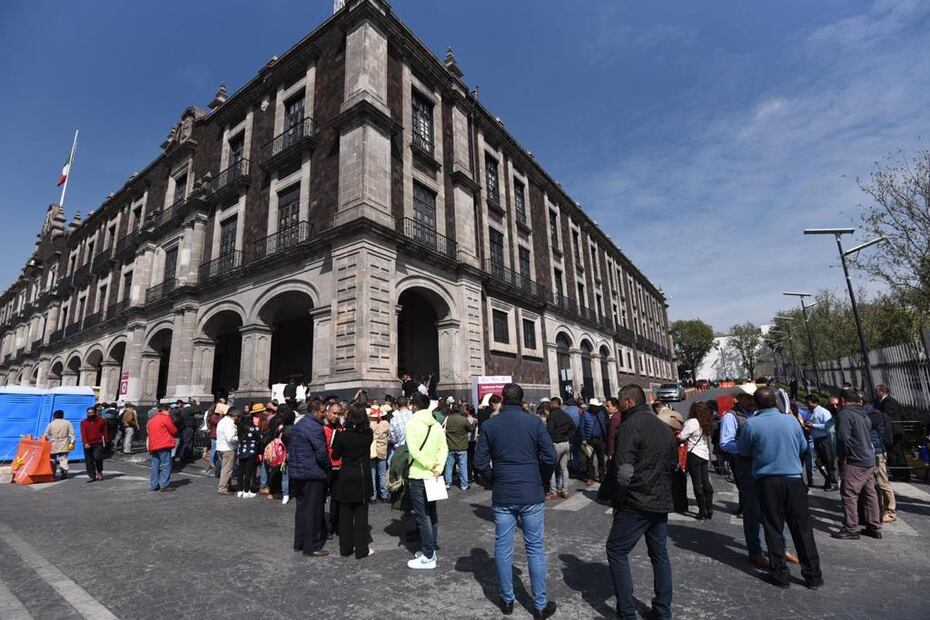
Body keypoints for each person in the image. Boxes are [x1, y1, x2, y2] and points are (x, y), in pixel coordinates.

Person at [474, 383, 557, 619]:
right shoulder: (534, 423)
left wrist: (494, 479)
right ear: (521, 400)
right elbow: (549, 456)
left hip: (503, 494)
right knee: (535, 548)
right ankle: (540, 605)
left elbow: (480, 463)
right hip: (531, 492)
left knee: (502, 547)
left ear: (501, 400)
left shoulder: (489, 425)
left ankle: (507, 600)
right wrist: (540, 478)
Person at [738, 387, 823, 589]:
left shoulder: (751, 424)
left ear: (756, 404)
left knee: (773, 527)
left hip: (767, 481)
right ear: (775, 402)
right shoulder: (791, 421)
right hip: (793, 479)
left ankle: (780, 574)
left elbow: (744, 452)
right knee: (802, 528)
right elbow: (803, 448)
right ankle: (813, 576)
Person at [605, 385, 677, 620]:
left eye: (619, 401)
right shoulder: (662, 425)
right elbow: (673, 464)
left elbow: (623, 472)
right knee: (659, 555)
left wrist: (618, 501)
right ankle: (662, 611)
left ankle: (627, 612)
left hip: (637, 500)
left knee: (616, 549)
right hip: (661, 498)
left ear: (628, 402)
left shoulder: (630, 426)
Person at [404, 391, 449, 570]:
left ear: (414, 405)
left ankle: (429, 555)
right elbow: (444, 448)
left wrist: (430, 466)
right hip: (434, 477)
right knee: (432, 513)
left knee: (422, 517)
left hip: (418, 475)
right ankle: (431, 549)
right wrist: (438, 468)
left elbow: (414, 451)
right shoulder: (436, 424)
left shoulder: (412, 423)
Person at [832, 389, 881, 540]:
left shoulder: (845, 414)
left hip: (854, 460)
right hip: (868, 458)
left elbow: (843, 438)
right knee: (869, 494)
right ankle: (874, 526)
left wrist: (843, 457)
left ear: (842, 400)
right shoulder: (864, 414)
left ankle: (851, 527)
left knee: (849, 494)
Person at [289, 399, 331, 557]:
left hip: (298, 472)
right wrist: (327, 466)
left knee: (301, 509)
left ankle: (299, 542)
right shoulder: (314, 427)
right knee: (313, 511)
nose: (324, 414)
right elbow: (321, 453)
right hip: (312, 473)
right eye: (322, 412)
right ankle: (312, 545)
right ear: (315, 412)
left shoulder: (300, 424)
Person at [332, 404, 374, 558]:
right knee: (361, 515)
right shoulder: (368, 434)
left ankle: (346, 548)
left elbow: (335, 456)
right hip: (362, 476)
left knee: (345, 514)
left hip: (346, 476)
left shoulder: (341, 435)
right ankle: (362, 549)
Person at [679, 401, 714, 520]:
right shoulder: (705, 421)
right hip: (704, 453)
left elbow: (682, 436)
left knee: (697, 483)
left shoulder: (692, 421)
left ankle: (702, 510)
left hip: (694, 454)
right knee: (706, 482)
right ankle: (710, 507)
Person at [545, 397, 576, 499]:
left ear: (553, 404)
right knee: (564, 468)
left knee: (551, 468)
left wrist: (553, 438)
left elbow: (549, 430)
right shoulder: (566, 415)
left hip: (556, 444)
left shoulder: (551, 416)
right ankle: (565, 491)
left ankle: (553, 491)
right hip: (566, 443)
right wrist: (568, 437)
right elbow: (573, 428)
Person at [805, 395, 836, 490]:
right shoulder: (811, 413)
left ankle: (832, 482)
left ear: (814, 402)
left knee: (828, 461)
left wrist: (813, 426)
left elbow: (828, 426)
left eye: (808, 403)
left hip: (824, 440)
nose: (807, 405)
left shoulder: (823, 412)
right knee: (820, 462)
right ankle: (828, 480)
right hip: (817, 440)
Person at [146, 403, 178, 492]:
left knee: (155, 465)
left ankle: (154, 484)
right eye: (168, 411)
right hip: (164, 444)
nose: (169, 413)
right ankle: (164, 485)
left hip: (154, 445)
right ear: (164, 410)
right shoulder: (165, 418)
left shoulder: (151, 420)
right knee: (166, 465)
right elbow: (173, 430)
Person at [443, 404, 475, 491]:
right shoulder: (463, 420)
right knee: (463, 466)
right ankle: (464, 484)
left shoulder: (447, 419)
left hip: (450, 446)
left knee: (449, 465)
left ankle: (447, 483)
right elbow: (471, 429)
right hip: (462, 446)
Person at [236, 404, 264, 498]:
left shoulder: (240, 428)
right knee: (248, 471)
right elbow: (259, 440)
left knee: (241, 470)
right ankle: (247, 490)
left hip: (241, 450)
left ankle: (240, 490)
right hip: (251, 451)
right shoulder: (254, 428)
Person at [581, 398, 608, 486]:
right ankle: (590, 477)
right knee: (590, 460)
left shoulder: (601, 413)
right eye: (596, 407)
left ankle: (602, 477)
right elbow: (582, 427)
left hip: (600, 440)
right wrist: (584, 438)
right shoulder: (585, 414)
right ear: (592, 407)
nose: (597, 408)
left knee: (601, 460)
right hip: (590, 441)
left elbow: (605, 423)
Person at [43, 410, 75, 480]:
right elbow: (72, 434)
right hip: (64, 442)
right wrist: (72, 442)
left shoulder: (51, 424)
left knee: (52, 460)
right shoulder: (67, 423)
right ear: (62, 415)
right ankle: (64, 472)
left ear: (54, 416)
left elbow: (45, 435)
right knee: (63, 459)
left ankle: (52, 474)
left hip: (53, 443)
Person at [80, 406, 108, 483]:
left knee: (97, 457)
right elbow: (83, 433)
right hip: (88, 443)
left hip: (98, 442)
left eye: (92, 413)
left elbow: (105, 432)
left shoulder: (101, 421)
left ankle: (99, 471)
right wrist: (85, 442)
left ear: (95, 412)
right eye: (88, 413)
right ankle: (92, 475)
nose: (90, 414)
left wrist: (106, 441)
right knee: (89, 460)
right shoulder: (83, 422)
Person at [369, 407, 391, 502]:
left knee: (372, 473)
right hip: (382, 450)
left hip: (372, 450)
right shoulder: (385, 423)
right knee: (382, 473)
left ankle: (373, 496)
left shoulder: (369, 424)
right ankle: (384, 495)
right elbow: (390, 436)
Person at [216, 407, 239, 495]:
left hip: (222, 447)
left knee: (226, 468)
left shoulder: (223, 420)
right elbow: (230, 438)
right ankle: (222, 488)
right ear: (235, 416)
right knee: (227, 469)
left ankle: (228, 485)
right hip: (227, 448)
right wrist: (239, 437)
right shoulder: (229, 423)